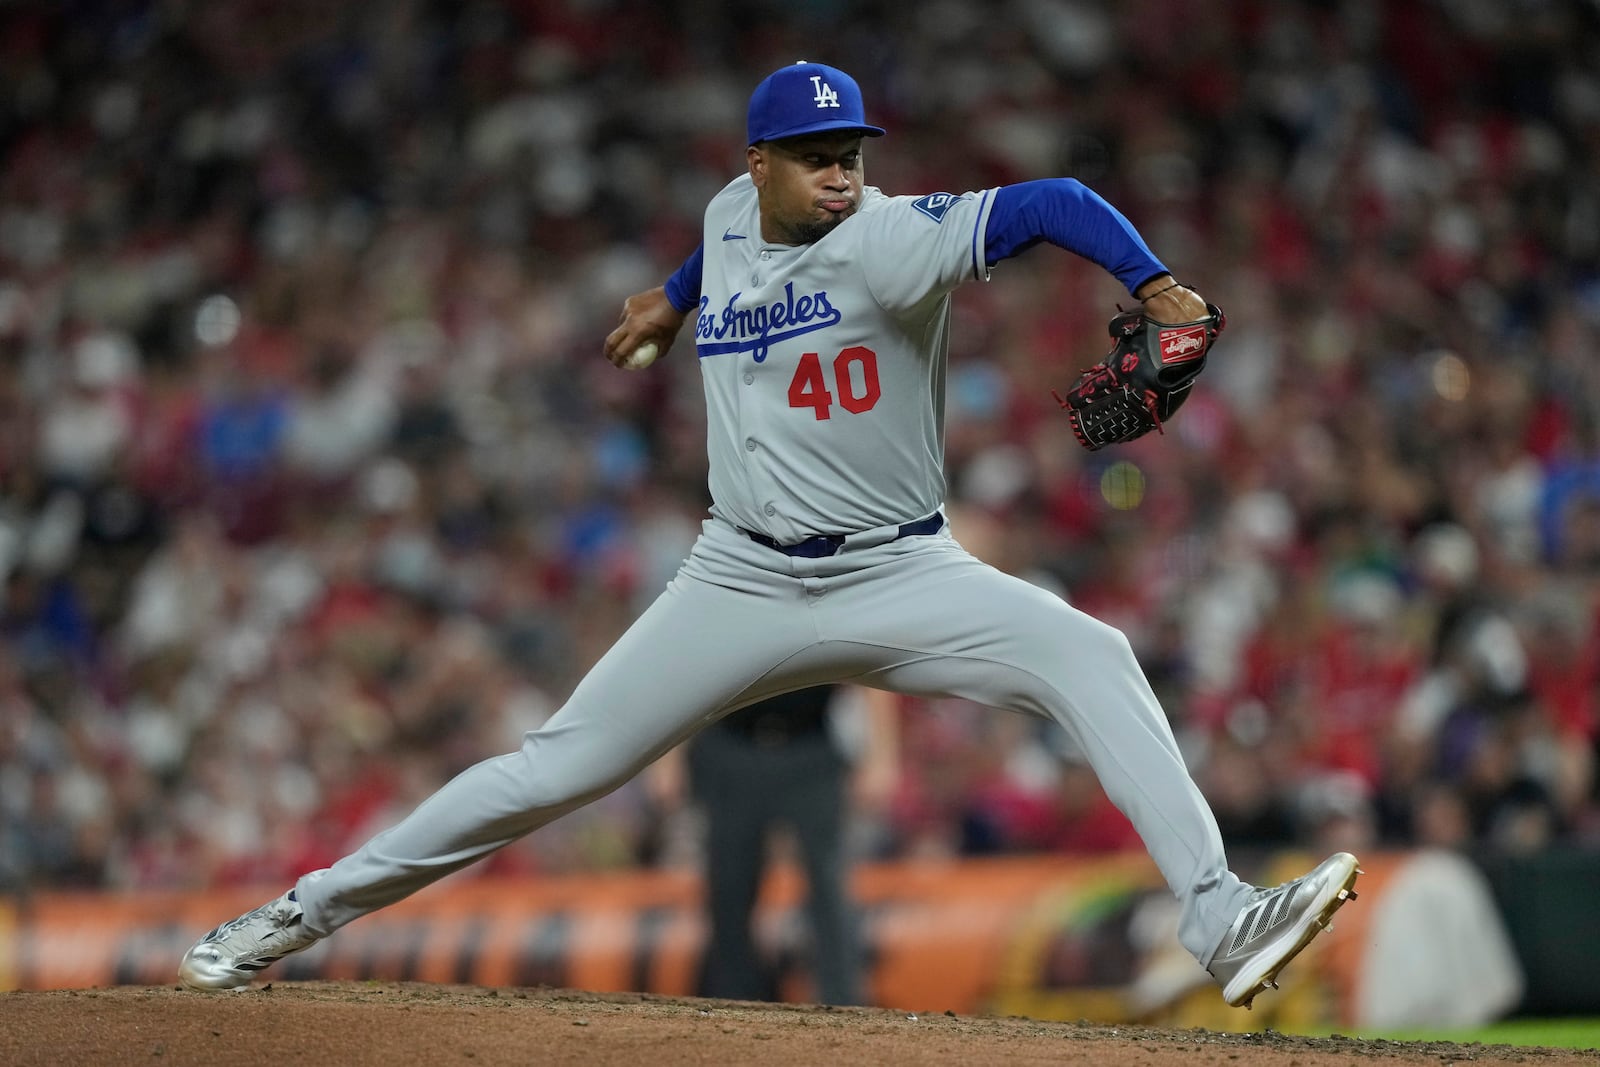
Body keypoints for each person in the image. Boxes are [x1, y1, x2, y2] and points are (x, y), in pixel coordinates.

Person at [178, 60, 1359, 1011]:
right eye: (814, 158)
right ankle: (297, 914)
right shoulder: (733, 213)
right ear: (759, 164)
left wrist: (1154, 284)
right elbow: (720, 241)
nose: (840, 175)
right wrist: (670, 297)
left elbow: (1051, 203)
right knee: (550, 770)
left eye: (850, 153)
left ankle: (1217, 917)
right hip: (736, 575)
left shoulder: (892, 240)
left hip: (900, 566)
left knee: (1089, 653)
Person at [649, 684, 897, 1005]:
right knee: (729, 887)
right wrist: (666, 756)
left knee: (829, 886)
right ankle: (732, 1003)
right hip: (733, 744)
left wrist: (882, 755)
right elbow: (684, 671)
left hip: (808, 743)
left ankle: (843, 1001)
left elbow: (869, 675)